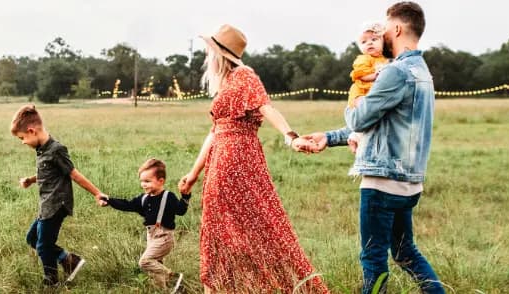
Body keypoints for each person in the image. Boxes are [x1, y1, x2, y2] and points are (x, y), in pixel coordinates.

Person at [295, 2, 446, 293]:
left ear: (398, 29)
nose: (381, 34)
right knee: (405, 253)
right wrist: (330, 137)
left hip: (382, 183)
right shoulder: (422, 72)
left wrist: (353, 100)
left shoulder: (396, 73)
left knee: (373, 259)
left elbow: (360, 118)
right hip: (410, 182)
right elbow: (380, 123)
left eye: (385, 28)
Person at [178, 24, 329, 293]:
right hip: (219, 161)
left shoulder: (244, 75)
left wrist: (290, 136)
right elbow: (214, 132)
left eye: (209, 52)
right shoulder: (225, 84)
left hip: (239, 160)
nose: (206, 57)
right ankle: (220, 287)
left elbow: (266, 107)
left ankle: (260, 285)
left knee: (256, 225)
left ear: (220, 54)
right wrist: (193, 174)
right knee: (218, 228)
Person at [11, 104, 106, 287]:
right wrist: (31, 180)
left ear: (31, 131)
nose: (23, 142)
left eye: (22, 138)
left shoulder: (56, 150)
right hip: (46, 205)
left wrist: (97, 193)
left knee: (43, 245)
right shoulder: (42, 150)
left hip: (56, 205)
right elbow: (49, 174)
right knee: (32, 238)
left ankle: (51, 282)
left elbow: (74, 174)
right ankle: (69, 260)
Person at [99, 158, 188, 291]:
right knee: (156, 266)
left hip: (164, 237)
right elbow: (127, 205)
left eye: (147, 181)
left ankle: (173, 277)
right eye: (142, 181)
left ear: (161, 181)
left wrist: (185, 196)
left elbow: (180, 211)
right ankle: (164, 290)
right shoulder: (144, 199)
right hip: (151, 236)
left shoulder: (168, 197)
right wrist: (110, 201)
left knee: (145, 262)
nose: (143, 184)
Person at [347, 21, 390, 154]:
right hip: (361, 91)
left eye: (374, 39)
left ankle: (355, 137)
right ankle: (356, 137)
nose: (369, 43)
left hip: (374, 93)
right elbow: (361, 75)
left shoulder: (386, 59)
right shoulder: (363, 59)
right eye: (364, 42)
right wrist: (376, 75)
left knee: (374, 120)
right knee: (364, 111)